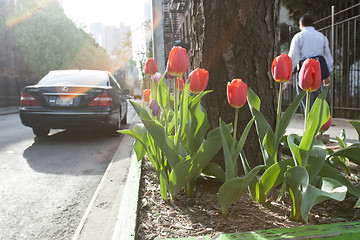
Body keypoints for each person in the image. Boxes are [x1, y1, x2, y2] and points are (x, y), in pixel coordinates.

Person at [288, 13, 333, 113]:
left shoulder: (298, 37)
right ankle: (315, 122)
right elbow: (327, 55)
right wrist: (327, 74)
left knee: (305, 100)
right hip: (318, 70)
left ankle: (308, 123)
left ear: (301, 24)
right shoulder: (321, 37)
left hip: (304, 70)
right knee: (316, 99)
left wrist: (289, 74)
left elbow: (293, 56)